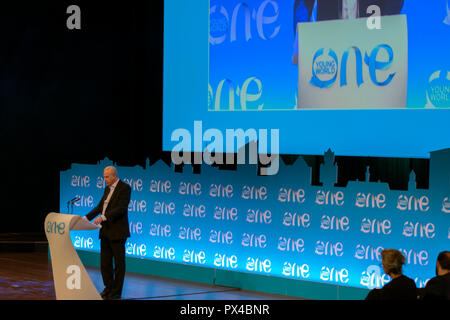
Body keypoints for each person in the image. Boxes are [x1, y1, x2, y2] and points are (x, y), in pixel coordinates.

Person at [84, 166, 131, 300]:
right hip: (105, 232)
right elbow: (100, 207)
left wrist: (104, 217)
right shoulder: (107, 189)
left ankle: (116, 293)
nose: (104, 179)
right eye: (104, 177)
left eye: (106, 177)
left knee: (119, 264)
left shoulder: (125, 188)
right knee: (105, 264)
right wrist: (85, 218)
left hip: (117, 232)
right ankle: (108, 288)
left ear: (114, 176)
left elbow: (121, 208)